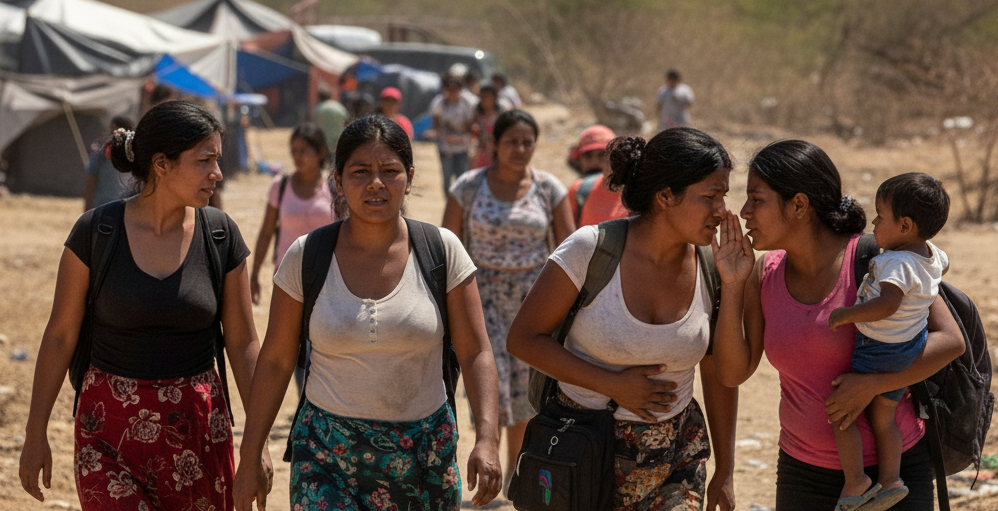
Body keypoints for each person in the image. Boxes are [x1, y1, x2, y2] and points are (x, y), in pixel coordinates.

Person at [233, 115, 502, 510]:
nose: (376, 183)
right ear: (339, 181)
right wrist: (251, 452)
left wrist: (488, 438)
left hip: (423, 456)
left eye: (389, 171)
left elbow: (476, 351)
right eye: (361, 171)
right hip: (326, 455)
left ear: (408, 179)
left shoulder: (442, 251)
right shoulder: (307, 257)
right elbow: (275, 360)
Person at [19, 101, 269, 510]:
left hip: (199, 434)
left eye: (217, 160)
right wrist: (35, 433)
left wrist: (257, 445)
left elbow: (243, 345)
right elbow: (60, 335)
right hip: (107, 434)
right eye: (204, 160)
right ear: (161, 164)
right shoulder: (96, 233)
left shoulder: (220, 236)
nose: (217, 174)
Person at [710, 139, 966, 510]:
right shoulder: (763, 273)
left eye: (757, 199)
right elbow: (733, 373)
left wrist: (873, 386)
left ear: (799, 205)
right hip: (802, 473)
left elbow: (951, 341)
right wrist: (732, 285)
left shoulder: (878, 260)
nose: (745, 212)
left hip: (892, 476)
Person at [506, 128, 739, 510]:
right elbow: (525, 339)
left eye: (723, 196)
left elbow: (717, 371)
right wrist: (613, 384)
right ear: (664, 196)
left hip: (677, 461)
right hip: (584, 454)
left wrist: (725, 471)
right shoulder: (591, 250)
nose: (722, 211)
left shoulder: (713, 267)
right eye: (710, 196)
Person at [442, 110, 575, 479]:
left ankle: (518, 476)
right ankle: (489, 463)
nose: (520, 149)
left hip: (536, 304)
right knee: (490, 382)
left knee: (527, 390)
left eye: (527, 142)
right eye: (511, 141)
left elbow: (571, 249)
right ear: (494, 145)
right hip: (479, 302)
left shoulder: (550, 189)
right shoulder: (467, 188)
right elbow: (445, 249)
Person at [826, 173, 951, 510]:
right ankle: (892, 480)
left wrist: (846, 314)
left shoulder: (894, 262)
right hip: (907, 351)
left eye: (881, 216)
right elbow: (943, 268)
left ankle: (856, 482)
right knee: (884, 418)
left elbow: (887, 305)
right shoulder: (931, 256)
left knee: (843, 413)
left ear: (906, 226)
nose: (874, 222)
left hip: (879, 350)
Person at [249, 123, 337, 306]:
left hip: (327, 277)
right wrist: (255, 273)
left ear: (320, 152)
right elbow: (266, 233)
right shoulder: (279, 187)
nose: (297, 156)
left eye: (304, 151)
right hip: (286, 278)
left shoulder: (334, 190)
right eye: (294, 151)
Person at [566, 124, 628, 227]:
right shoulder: (578, 191)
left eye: (602, 154)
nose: (594, 162)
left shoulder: (635, 192)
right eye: (587, 155)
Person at [432, 74, 478, 194]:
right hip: (445, 147)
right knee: (446, 178)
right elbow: (437, 125)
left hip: (462, 146)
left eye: (455, 89)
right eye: (449, 89)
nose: (452, 92)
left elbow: (471, 124)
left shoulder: (468, 103)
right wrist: (445, 138)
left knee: (462, 178)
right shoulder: (439, 103)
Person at [84, 116, 134, 211]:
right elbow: (91, 179)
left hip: (124, 207)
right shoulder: (101, 154)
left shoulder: (134, 155)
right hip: (102, 206)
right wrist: (87, 208)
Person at [470, 84, 502, 169]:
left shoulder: (501, 113)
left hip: (497, 148)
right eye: (483, 97)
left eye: (488, 97)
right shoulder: (477, 112)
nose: (485, 100)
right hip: (481, 147)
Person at [313, 84, 349, 151]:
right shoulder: (338, 106)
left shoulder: (318, 108)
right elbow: (347, 121)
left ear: (319, 97)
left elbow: (314, 126)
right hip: (339, 140)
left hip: (324, 141)